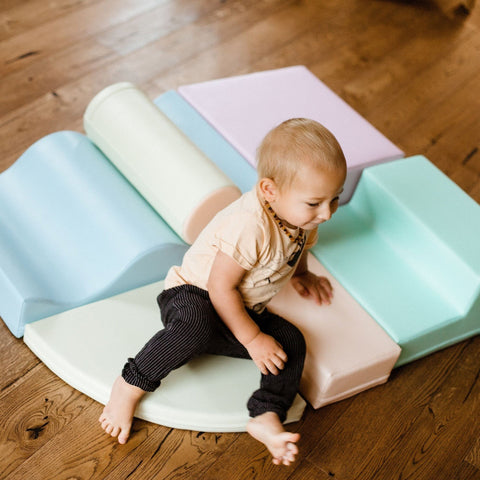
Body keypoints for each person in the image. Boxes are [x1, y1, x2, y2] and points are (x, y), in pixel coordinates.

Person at [99, 118, 347, 466]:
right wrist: (253, 339)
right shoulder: (250, 225)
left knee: (292, 342)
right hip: (194, 296)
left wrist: (301, 275)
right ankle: (129, 384)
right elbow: (219, 287)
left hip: (242, 310)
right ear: (269, 190)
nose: (327, 214)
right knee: (194, 327)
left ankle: (266, 413)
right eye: (315, 203)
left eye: (335, 200)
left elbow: (298, 250)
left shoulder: (303, 220)